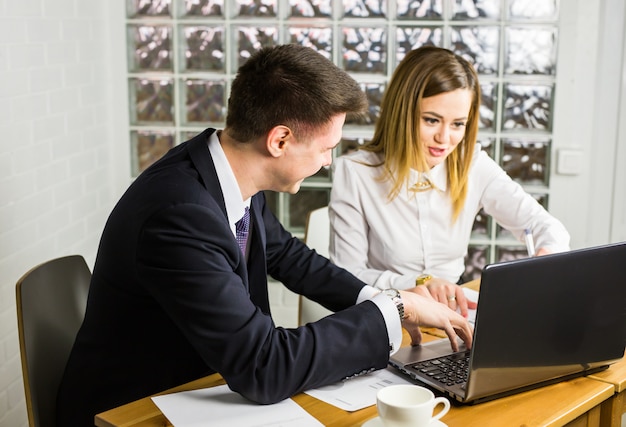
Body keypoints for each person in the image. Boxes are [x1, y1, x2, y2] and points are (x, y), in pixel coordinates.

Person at [56, 44, 473, 426]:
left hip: (201, 386)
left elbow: (290, 256)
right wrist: (393, 311)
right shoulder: (180, 216)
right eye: (326, 147)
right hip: (133, 411)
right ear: (280, 140)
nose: (329, 162)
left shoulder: (221, 168)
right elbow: (263, 366)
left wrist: (384, 300)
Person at [329, 46, 570, 315]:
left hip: (456, 314)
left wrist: (545, 257)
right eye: (432, 120)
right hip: (389, 313)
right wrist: (420, 284)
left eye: (458, 124)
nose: (444, 139)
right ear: (402, 113)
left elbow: (546, 226)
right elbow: (348, 276)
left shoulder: (473, 164)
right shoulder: (355, 172)